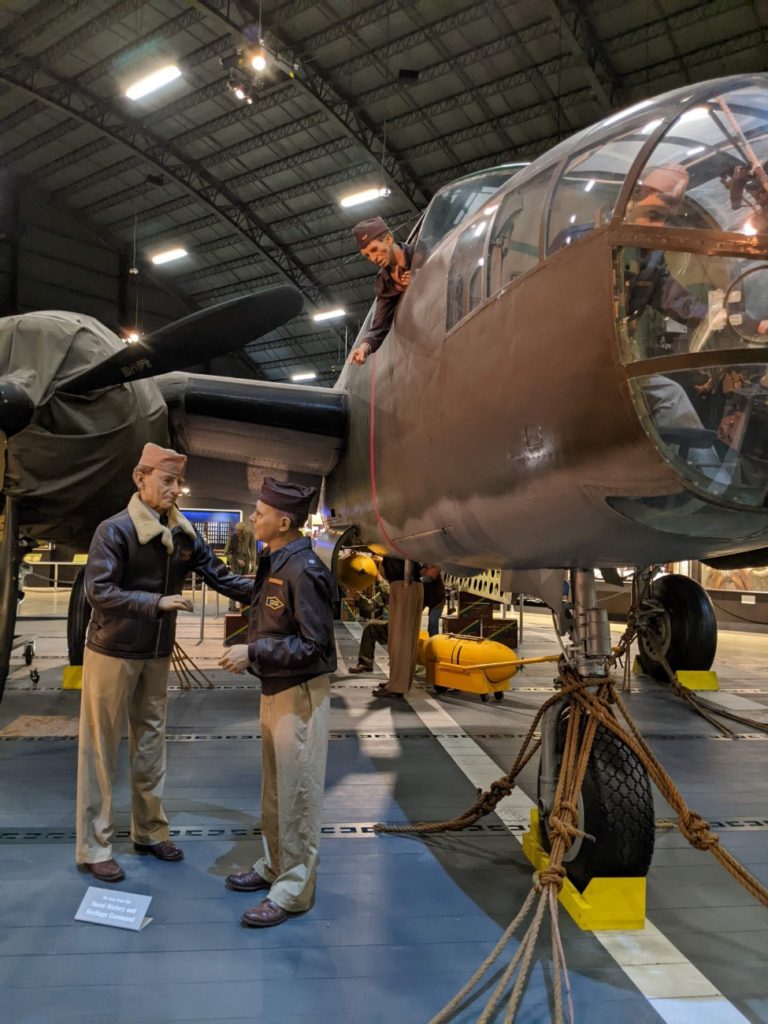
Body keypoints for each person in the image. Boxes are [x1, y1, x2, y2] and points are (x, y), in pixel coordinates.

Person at [76, 443, 252, 883]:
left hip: (154, 654)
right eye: (167, 481)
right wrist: (156, 602)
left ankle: (150, 831)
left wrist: (276, 585)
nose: (175, 490)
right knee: (99, 750)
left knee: (151, 746)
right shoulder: (114, 530)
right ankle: (93, 846)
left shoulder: (182, 533)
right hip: (111, 651)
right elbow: (98, 591)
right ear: (141, 478)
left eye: (178, 483)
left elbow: (220, 576)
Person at [218, 478, 337, 928]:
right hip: (274, 690)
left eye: (260, 512)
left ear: (283, 521)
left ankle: (294, 889)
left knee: (299, 795)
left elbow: (316, 647)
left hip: (299, 694)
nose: (253, 518)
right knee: (274, 793)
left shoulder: (304, 571)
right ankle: (273, 866)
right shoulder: (277, 562)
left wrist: (253, 652)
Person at [350, 216, 413, 365]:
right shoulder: (384, 284)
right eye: (367, 255)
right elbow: (379, 325)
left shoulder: (422, 253)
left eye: (374, 249)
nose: (373, 258)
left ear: (389, 240)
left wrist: (420, 276)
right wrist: (364, 348)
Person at [347, 571, 390, 675]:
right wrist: (357, 595)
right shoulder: (387, 588)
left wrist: (378, 577)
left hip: (405, 628)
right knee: (371, 627)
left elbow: (390, 593)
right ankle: (365, 663)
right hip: (392, 627)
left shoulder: (407, 587)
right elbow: (369, 606)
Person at [224, 520, 256, 611]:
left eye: (241, 531)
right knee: (235, 584)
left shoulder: (249, 535)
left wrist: (253, 561)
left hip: (246, 561)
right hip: (236, 563)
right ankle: (232, 605)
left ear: (244, 530)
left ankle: (245, 605)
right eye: (237, 531)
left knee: (246, 583)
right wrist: (236, 560)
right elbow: (226, 552)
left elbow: (252, 548)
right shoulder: (232, 537)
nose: (239, 533)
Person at [420, 564, 445, 637]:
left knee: (433, 622)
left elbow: (430, 577)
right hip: (424, 598)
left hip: (437, 600)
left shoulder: (435, 566)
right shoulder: (420, 565)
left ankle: (433, 641)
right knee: (412, 618)